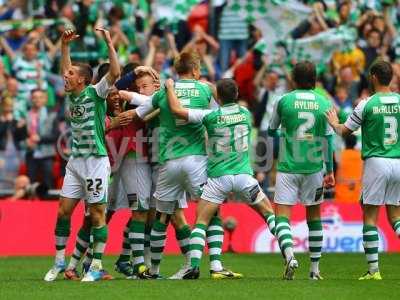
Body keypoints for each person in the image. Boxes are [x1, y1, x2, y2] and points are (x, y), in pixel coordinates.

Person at [119, 51, 241, 279]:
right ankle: (215, 266)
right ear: (195, 70)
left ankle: (154, 270)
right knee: (212, 211)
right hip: (196, 160)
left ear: (176, 70)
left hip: (168, 163)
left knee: (162, 218)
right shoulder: (205, 89)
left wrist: (125, 106)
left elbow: (140, 112)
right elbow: (223, 110)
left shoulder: (165, 92)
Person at [164, 78, 276, 279]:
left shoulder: (210, 115)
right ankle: (289, 253)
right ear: (237, 94)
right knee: (269, 215)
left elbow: (178, 110)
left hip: (216, 174)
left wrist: (171, 87)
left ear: (218, 97)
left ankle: (193, 265)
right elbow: (227, 100)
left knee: (201, 220)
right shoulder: (245, 113)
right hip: (243, 175)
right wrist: (215, 90)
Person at [44, 27, 120, 282]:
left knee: (97, 214)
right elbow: (66, 68)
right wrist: (64, 46)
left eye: (71, 75)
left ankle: (96, 265)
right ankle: (58, 262)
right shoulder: (72, 95)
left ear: (83, 80)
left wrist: (109, 43)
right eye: (67, 74)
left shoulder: (96, 93)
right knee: (63, 211)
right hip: (76, 161)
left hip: (96, 162)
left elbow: (115, 72)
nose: (66, 77)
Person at [326, 60, 400, 280]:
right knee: (395, 215)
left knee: (370, 216)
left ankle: (373, 270)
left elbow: (344, 132)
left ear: (374, 77)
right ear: (392, 78)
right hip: (398, 162)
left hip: (377, 162)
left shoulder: (366, 104)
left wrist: (333, 122)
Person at [268, 61, 335, 280]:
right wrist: (330, 170)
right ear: (314, 79)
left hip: (288, 166)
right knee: (314, 217)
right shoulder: (324, 102)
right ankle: (315, 271)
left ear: (294, 79)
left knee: (282, 216)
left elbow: (271, 131)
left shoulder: (283, 101)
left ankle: (289, 256)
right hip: (314, 167)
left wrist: (288, 139)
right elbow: (328, 138)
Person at [24, 89, 59, 189]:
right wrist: (26, 140)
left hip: (47, 153)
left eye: (40, 97)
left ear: (45, 99)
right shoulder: (26, 114)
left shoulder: (52, 114)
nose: (37, 100)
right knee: (31, 181)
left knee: (48, 180)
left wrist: (40, 138)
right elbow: (20, 135)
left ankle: (48, 203)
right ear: (31, 99)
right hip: (30, 152)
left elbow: (55, 135)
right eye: (34, 97)